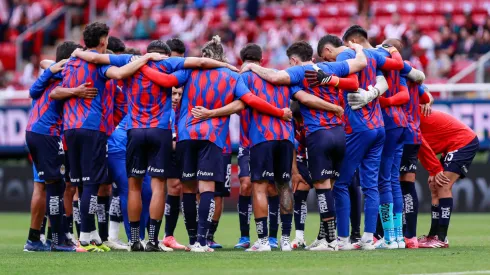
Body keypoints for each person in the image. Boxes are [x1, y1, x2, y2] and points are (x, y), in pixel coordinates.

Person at [138, 36, 293, 252]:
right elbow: (250, 101)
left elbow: (165, 82)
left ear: (204, 57)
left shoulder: (190, 72)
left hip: (186, 135)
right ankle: (203, 240)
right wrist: (279, 112)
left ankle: (192, 240)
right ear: (222, 58)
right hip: (213, 138)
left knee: (188, 188)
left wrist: (140, 67)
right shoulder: (231, 76)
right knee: (207, 188)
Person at [241, 41, 365, 251]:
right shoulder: (330, 67)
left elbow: (278, 78)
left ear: (294, 60)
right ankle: (321, 237)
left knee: (322, 188)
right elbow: (360, 63)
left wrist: (252, 66)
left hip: (319, 134)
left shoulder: (298, 71)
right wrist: (359, 49)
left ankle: (330, 240)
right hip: (339, 133)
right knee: (331, 187)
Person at [57, 22, 161, 252]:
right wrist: (145, 58)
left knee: (79, 184)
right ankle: (85, 236)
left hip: (69, 129)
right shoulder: (98, 63)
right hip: (91, 128)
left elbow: (55, 87)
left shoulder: (73, 61)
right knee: (92, 183)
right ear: (103, 40)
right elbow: (120, 73)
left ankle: (90, 233)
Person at [312, 32, 404, 250]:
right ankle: (367, 238)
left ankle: (343, 239)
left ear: (328, 50)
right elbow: (393, 72)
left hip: (358, 128)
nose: (330, 62)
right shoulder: (372, 55)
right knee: (371, 185)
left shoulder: (345, 57)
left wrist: (329, 78)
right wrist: (372, 93)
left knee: (341, 183)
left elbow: (352, 82)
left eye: (327, 59)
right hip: (378, 127)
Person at [344, 27, 409, 249]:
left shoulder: (372, 58)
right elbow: (410, 88)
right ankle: (397, 237)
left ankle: (389, 237)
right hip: (402, 123)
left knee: (381, 181)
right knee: (392, 180)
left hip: (385, 122)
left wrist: (379, 101)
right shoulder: (396, 65)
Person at [24, 41, 92, 252]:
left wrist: (54, 66)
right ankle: (58, 240)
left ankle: (36, 239)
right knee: (54, 185)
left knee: (47, 186)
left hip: (38, 132)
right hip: (46, 134)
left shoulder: (52, 74)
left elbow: (44, 65)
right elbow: (51, 93)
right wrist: (76, 91)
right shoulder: (62, 78)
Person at [417, 110, 479, 249]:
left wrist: (434, 170)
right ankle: (433, 235)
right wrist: (432, 170)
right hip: (451, 145)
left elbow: (422, 147)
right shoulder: (409, 117)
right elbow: (422, 148)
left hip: (463, 141)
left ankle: (442, 238)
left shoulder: (410, 119)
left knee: (443, 185)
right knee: (434, 185)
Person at [398, 62, 432, 249]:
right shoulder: (415, 84)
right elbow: (426, 96)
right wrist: (426, 99)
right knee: (408, 184)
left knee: (388, 183)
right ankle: (410, 236)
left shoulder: (394, 79)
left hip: (398, 133)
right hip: (414, 135)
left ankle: (388, 234)